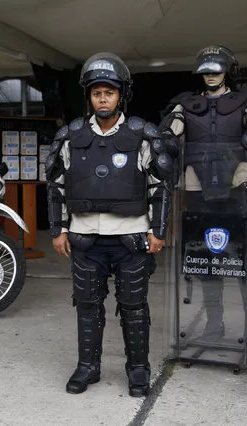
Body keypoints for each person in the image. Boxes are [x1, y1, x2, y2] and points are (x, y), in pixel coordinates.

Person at [45, 52, 175, 397]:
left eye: (109, 93)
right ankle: (88, 367)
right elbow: (56, 186)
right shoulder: (71, 136)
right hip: (85, 238)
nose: (103, 99)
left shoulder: (142, 136)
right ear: (89, 96)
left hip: (130, 238)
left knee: (134, 308)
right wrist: (58, 230)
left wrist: (157, 231)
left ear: (121, 95)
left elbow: (160, 186)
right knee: (87, 307)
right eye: (96, 93)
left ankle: (138, 370)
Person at [159, 46, 247, 347]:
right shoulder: (186, 105)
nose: (210, 75)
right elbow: (169, 134)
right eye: (206, 71)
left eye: (216, 70)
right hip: (196, 187)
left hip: (238, 185)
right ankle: (214, 325)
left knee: (243, 261)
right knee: (205, 259)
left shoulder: (245, 102)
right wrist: (166, 139)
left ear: (227, 71)